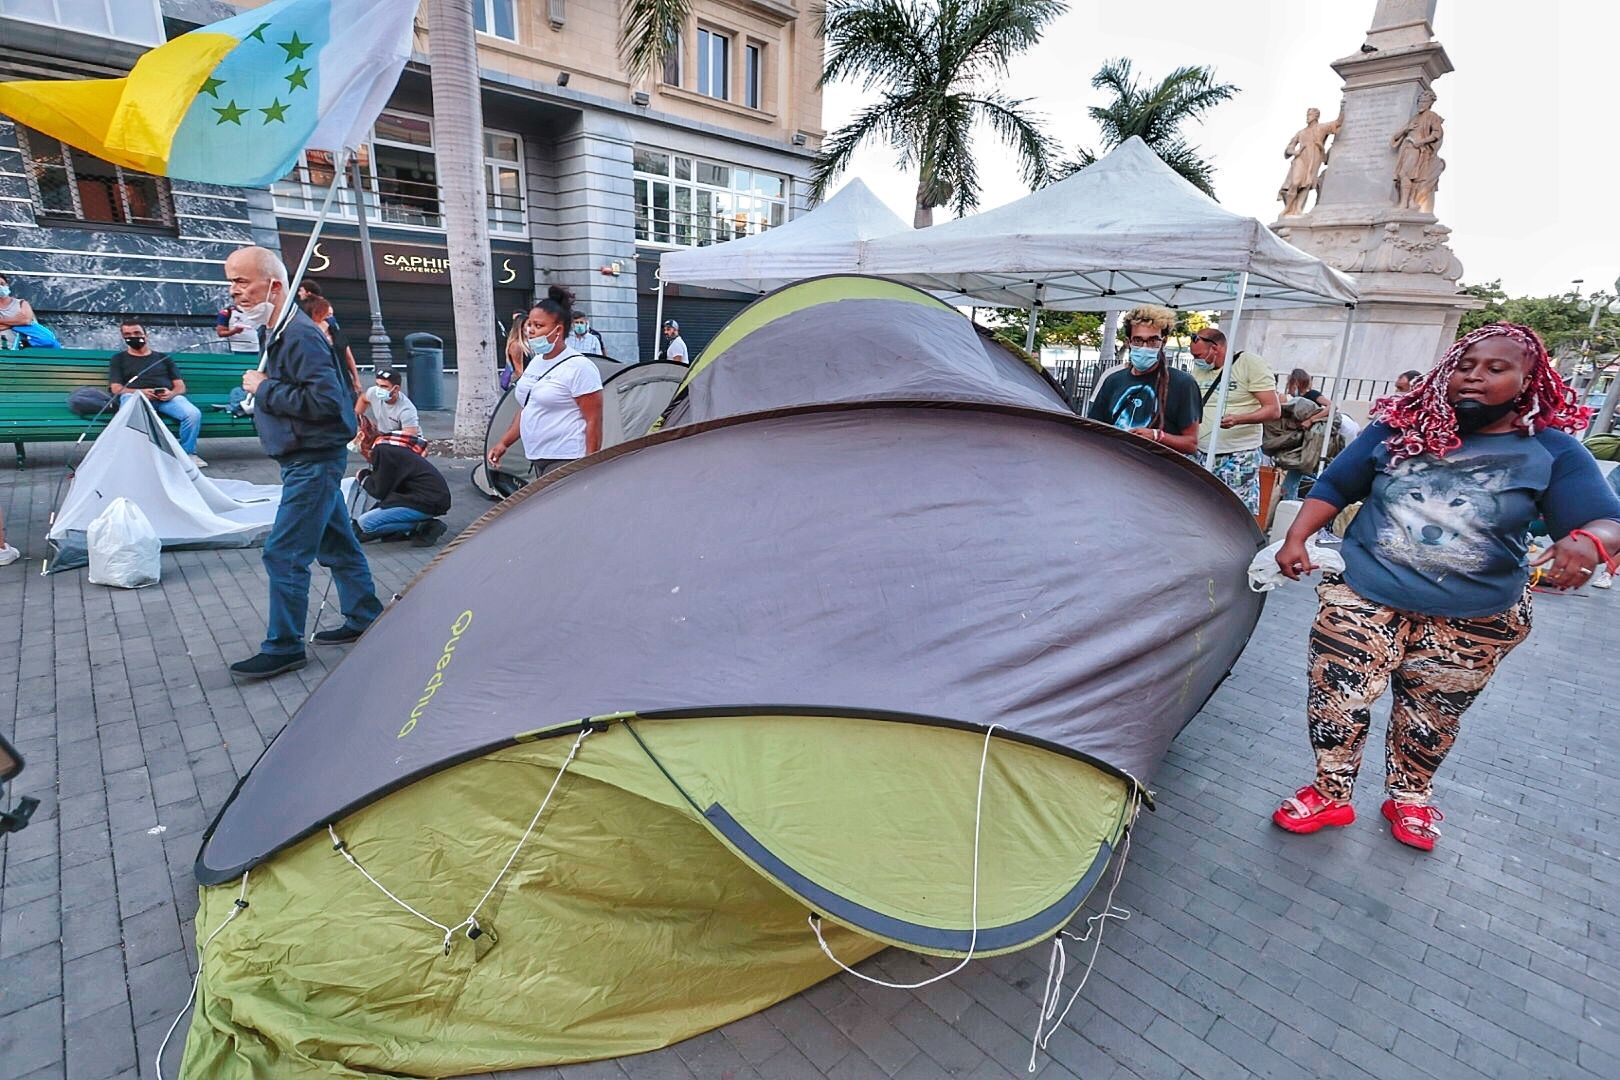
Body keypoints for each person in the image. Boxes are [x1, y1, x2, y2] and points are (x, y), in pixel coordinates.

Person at [1270, 323, 1620, 851]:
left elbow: (1604, 518)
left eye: (1496, 369)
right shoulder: (1397, 430)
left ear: (1529, 381)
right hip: (1365, 595)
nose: (1475, 377)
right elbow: (1338, 483)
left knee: (1430, 716)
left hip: (1476, 618)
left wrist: (1590, 541)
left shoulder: (1553, 452)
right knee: (1337, 699)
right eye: (1465, 366)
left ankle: (1409, 796)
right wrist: (1297, 536)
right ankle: (1330, 791)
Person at [229, 246, 382, 680]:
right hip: (305, 457)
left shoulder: (297, 334)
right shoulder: (276, 332)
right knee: (336, 543)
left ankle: (284, 646)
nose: (234, 291)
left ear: (274, 285)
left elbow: (328, 404)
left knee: (283, 552)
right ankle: (363, 613)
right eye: (232, 281)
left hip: (313, 460)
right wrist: (260, 396)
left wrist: (264, 390)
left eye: (242, 281)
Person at [487, 286, 604, 480]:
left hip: (567, 458)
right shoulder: (536, 362)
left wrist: (589, 466)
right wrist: (503, 443)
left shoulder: (580, 367)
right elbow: (528, 407)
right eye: (529, 324)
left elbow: (594, 420)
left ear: (558, 330)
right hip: (538, 455)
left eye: (539, 326)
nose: (530, 331)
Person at [1086, 305, 1201, 455]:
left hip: (1155, 472)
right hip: (1114, 466)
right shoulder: (1113, 380)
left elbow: (1191, 444)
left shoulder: (1183, 384)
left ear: (1163, 342)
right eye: (1138, 340)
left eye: (1153, 341)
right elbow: (1095, 429)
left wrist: (1156, 436)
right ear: (1128, 342)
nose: (1145, 347)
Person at [1189, 328, 1281, 514]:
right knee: (1200, 508)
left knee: (1232, 511)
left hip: (1239, 453)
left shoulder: (1249, 364)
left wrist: (1239, 419)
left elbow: (1273, 409)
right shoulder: (1199, 369)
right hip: (1202, 451)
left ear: (1215, 348)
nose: (1196, 360)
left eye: (1198, 355)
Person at [109, 320, 207, 466]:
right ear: (123, 337)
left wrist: (171, 393)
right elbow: (116, 388)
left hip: (167, 399)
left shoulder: (163, 358)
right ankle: (143, 456)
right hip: (136, 397)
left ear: (146, 335)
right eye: (128, 334)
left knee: (193, 414)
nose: (133, 337)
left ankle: (187, 454)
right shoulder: (119, 359)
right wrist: (140, 392)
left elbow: (180, 387)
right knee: (130, 407)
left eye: (137, 333)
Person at [352, 433, 450, 545]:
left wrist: (363, 477)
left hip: (426, 502)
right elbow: (387, 482)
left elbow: (380, 491)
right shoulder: (389, 447)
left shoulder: (382, 451)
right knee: (373, 516)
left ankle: (421, 526)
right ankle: (407, 528)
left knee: (366, 522)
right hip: (430, 498)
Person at [1274, 368, 1336, 501]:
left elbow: (1332, 406)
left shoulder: (1312, 395)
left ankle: (1288, 505)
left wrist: (1311, 420)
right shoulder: (1299, 399)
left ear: (1295, 383)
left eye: (1289, 384)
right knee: (1297, 477)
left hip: (1312, 444)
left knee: (1290, 483)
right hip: (1307, 442)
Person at [301, 295, 361, 396]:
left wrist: (356, 379)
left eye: (332, 315)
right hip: (323, 384)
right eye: (327, 315)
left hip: (343, 380)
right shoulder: (309, 335)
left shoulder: (336, 332)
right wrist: (321, 331)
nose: (330, 318)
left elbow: (349, 357)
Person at [0, 273, 61, 348]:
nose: (0, 287)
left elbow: (26, 320)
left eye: (2, 284)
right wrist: (17, 321)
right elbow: (22, 321)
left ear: (7, 286)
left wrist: (3, 322)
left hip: (24, 347)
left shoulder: (22, 303)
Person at [356, 369, 420, 439]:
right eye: (377, 385)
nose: (379, 389)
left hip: (400, 439)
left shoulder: (406, 410)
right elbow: (363, 399)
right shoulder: (373, 392)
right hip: (382, 435)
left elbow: (409, 438)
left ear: (396, 388)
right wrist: (360, 421)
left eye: (384, 386)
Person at [502, 310, 530, 388]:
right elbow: (519, 372)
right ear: (521, 327)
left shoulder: (527, 343)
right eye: (528, 325)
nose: (531, 328)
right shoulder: (516, 345)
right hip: (522, 386)